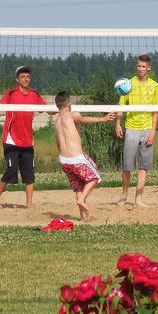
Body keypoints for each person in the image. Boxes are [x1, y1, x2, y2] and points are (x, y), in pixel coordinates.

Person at [0, 65, 48, 209]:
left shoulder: (35, 94)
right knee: (11, 171)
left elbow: (47, 110)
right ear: (17, 79)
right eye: (23, 76)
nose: (26, 78)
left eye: (28, 76)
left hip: (27, 140)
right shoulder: (11, 93)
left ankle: (29, 205)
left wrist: (60, 108)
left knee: (29, 174)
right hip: (11, 139)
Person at [53, 91, 117, 220]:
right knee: (95, 178)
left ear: (57, 105)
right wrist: (103, 119)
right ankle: (82, 200)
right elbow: (82, 119)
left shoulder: (57, 121)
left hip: (64, 160)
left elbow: (59, 143)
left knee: (79, 186)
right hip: (75, 158)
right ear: (69, 104)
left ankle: (83, 216)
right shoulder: (71, 115)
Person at [115, 55, 158, 208]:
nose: (140, 69)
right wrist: (118, 123)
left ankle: (138, 199)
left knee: (143, 166)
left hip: (147, 128)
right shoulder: (128, 84)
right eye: (138, 66)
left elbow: (156, 111)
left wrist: (153, 131)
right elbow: (121, 106)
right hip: (132, 128)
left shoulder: (154, 86)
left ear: (149, 68)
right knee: (127, 166)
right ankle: (124, 195)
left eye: (143, 66)